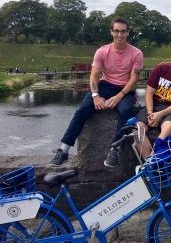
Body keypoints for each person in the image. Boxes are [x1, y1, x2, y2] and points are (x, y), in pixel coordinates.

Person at [48, 18, 143, 168]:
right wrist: (95, 96)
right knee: (82, 110)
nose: (120, 35)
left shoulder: (136, 53)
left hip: (125, 89)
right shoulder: (102, 51)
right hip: (105, 86)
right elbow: (94, 75)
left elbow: (134, 78)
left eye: (123, 31)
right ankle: (63, 150)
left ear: (128, 32)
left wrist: (119, 96)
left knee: (126, 110)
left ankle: (114, 150)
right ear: (111, 32)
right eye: (116, 31)